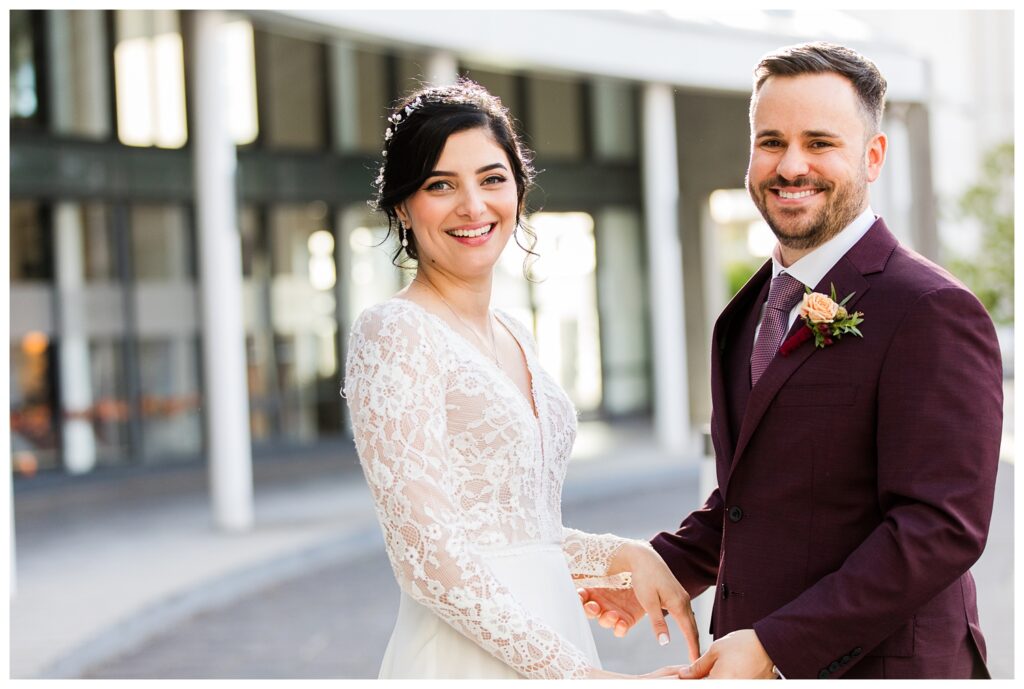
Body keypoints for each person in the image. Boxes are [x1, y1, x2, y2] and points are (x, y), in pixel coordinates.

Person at [580, 42, 1003, 679]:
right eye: (771, 141)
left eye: (820, 142)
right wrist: (666, 565)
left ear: (873, 156)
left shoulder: (932, 309)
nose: (791, 165)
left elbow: (939, 529)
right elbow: (757, 497)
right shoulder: (746, 312)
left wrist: (777, 644)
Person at [342, 79, 700, 679]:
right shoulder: (394, 332)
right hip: (467, 657)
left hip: (549, 636)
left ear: (518, 189)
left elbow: (518, 532)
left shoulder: (514, 333)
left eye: (491, 179)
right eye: (440, 186)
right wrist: (580, 678)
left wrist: (620, 555)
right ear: (403, 206)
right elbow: (427, 555)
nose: (473, 206)